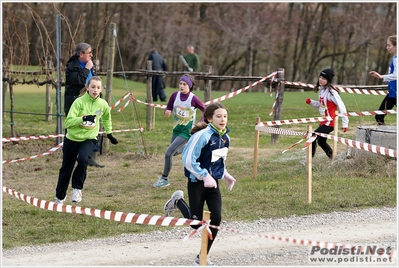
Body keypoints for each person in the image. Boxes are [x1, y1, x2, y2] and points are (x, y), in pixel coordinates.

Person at [163, 102, 236, 266]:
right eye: (218, 116)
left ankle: (202, 256)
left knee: (216, 218)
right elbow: (188, 160)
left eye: (225, 116)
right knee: (196, 224)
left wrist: (226, 175)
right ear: (210, 119)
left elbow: (217, 162)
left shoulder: (225, 138)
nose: (222, 119)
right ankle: (177, 201)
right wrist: (204, 175)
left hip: (213, 183)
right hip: (196, 182)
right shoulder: (201, 136)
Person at [54, 76, 119, 204]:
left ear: (101, 89)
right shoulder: (79, 102)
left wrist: (109, 133)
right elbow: (68, 123)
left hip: (89, 138)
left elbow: (106, 117)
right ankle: (60, 197)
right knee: (66, 168)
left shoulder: (102, 104)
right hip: (72, 139)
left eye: (98, 88)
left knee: (83, 159)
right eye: (93, 87)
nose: (95, 90)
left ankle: (77, 189)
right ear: (87, 87)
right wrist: (83, 119)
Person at [153, 74, 205, 187]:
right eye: (180, 83)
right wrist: (167, 111)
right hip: (176, 130)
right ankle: (191, 147)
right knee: (174, 152)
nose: (181, 86)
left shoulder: (193, 98)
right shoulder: (174, 95)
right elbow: (169, 107)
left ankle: (164, 178)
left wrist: (201, 121)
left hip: (186, 131)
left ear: (189, 86)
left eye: (184, 84)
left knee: (168, 153)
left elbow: (204, 109)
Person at [65, 42, 104, 168]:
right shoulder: (72, 66)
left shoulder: (91, 65)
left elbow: (95, 81)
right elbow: (77, 81)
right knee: (75, 128)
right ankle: (70, 156)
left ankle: (91, 157)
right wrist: (86, 68)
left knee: (93, 127)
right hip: (76, 102)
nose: (91, 55)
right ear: (81, 54)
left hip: (92, 102)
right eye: (89, 53)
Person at [305, 68, 349, 159]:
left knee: (312, 136)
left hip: (330, 122)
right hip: (324, 121)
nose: (321, 80)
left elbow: (342, 106)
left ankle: (309, 159)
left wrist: (345, 123)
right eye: (320, 77)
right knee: (321, 141)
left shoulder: (332, 92)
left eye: (324, 78)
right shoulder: (321, 90)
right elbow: (321, 105)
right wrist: (311, 102)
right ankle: (333, 159)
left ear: (328, 81)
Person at [369, 35, 397, 125]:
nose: (387, 47)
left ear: (396, 46)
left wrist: (381, 77)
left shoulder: (397, 59)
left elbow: (396, 75)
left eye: (389, 45)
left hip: (396, 93)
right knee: (379, 116)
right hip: (392, 93)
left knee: (379, 116)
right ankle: (385, 138)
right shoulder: (394, 58)